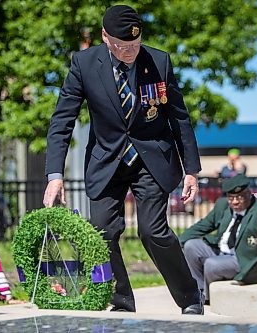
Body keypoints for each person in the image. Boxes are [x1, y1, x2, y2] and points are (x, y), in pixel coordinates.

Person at [42, 5, 203, 314]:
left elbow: (179, 119)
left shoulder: (159, 62)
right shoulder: (84, 64)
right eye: (122, 46)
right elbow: (62, 120)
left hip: (151, 158)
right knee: (101, 231)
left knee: (152, 231)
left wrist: (191, 170)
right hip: (107, 159)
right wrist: (55, 175)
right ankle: (122, 302)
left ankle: (190, 297)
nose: (130, 51)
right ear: (105, 37)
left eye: (135, 43)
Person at [179, 174, 257, 305]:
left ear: (248, 194)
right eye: (231, 198)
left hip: (241, 258)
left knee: (212, 264)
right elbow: (203, 225)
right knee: (191, 246)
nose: (234, 202)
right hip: (221, 250)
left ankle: (208, 298)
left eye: (239, 197)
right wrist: (177, 244)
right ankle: (199, 292)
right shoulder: (223, 206)